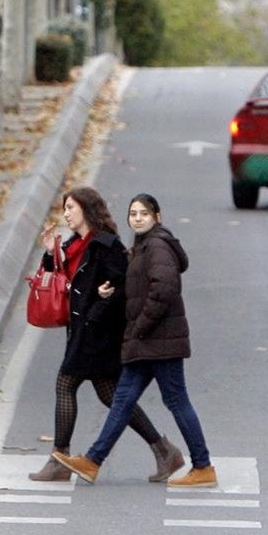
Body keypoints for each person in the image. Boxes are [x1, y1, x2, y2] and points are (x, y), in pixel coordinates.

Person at [53, 193, 216, 487]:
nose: (137, 218)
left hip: (159, 341)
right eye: (133, 214)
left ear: (157, 216)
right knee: (122, 401)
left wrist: (140, 326)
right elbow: (133, 287)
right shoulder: (142, 247)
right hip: (146, 341)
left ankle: (202, 466)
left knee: (176, 401)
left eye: (144, 213)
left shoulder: (157, 246)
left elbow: (162, 290)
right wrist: (108, 294)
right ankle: (92, 461)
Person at [28, 186, 184, 483]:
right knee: (111, 395)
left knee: (65, 384)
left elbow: (127, 285)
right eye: (65, 209)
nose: (66, 214)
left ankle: (59, 457)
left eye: (71, 208)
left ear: (86, 210)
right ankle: (164, 450)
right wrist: (51, 255)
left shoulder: (106, 245)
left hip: (97, 334)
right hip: (83, 332)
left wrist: (98, 308)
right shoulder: (75, 244)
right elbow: (66, 282)